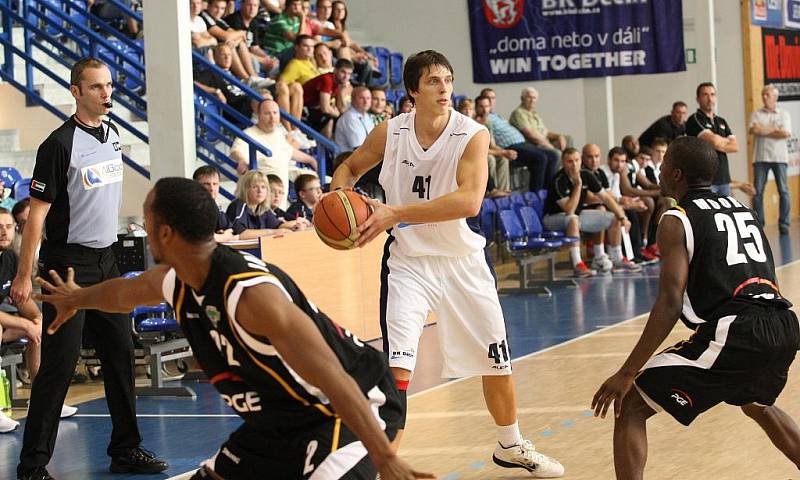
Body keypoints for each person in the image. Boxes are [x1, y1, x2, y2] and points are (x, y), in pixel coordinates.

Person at [35, 178, 434, 480]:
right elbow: (125, 293)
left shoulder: (252, 298)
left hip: (345, 411)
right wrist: (75, 299)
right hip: (278, 421)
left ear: (165, 233)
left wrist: (385, 458)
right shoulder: (176, 278)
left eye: (147, 216)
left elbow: (334, 377)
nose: (143, 222)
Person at [331, 50, 564, 477]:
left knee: (497, 361)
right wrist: (340, 200)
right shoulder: (390, 132)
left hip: (463, 262)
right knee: (398, 371)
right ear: (413, 91)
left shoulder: (470, 134)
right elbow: (348, 166)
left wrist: (393, 213)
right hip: (409, 263)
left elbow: (469, 201)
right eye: (434, 81)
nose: (444, 89)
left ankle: (511, 444)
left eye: (448, 80)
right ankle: (385, 467)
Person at [592, 136, 800, 479]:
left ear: (676, 174)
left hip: (739, 329)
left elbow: (670, 302)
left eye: (662, 167)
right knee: (758, 404)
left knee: (630, 404)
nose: (657, 171)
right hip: (783, 324)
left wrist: (627, 372)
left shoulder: (677, 218)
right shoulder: (744, 210)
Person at [11, 58, 167, 480]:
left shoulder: (114, 135)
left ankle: (126, 449)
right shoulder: (58, 145)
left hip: (108, 260)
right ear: (76, 91)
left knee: (120, 356)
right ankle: (32, 465)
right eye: (96, 87)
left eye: (109, 85)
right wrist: (26, 274)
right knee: (59, 367)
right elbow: (37, 216)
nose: (106, 93)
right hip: (67, 268)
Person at [543, 148, 638, 277]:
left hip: (577, 215)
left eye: (576, 160)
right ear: (563, 163)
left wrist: (622, 217)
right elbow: (569, 209)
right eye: (570, 161)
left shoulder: (586, 174)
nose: (574, 164)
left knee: (613, 218)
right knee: (573, 219)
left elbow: (606, 197)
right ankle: (578, 264)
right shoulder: (558, 180)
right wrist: (578, 185)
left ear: (580, 160)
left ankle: (617, 257)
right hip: (553, 218)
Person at [230, 99, 318, 207]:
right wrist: (241, 160)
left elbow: (289, 151)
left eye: (275, 113)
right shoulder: (249, 134)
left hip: (279, 199)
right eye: (267, 113)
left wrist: (311, 160)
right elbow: (236, 151)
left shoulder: (278, 133)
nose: (272, 117)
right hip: (259, 200)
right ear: (258, 115)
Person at [686, 82, 755, 197]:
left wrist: (719, 140)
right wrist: (724, 141)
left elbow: (735, 147)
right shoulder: (695, 119)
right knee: (709, 214)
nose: (710, 99)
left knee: (725, 213)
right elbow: (714, 142)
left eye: (712, 95)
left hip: (724, 179)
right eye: (705, 95)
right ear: (698, 99)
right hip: (705, 180)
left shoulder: (721, 121)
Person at [749, 84, 793, 234]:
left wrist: (764, 130)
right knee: (758, 192)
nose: (764, 97)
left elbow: (785, 133)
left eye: (767, 95)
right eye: (763, 94)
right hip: (760, 157)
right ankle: (759, 224)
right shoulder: (756, 114)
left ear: (775, 97)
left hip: (779, 157)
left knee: (783, 191)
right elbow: (754, 130)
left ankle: (784, 225)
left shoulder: (784, 114)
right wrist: (774, 130)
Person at [276, 34, 319, 131]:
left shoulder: (310, 63)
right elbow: (281, 84)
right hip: (308, 101)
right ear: (297, 47)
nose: (309, 49)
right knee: (296, 86)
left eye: (312, 47)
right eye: (305, 46)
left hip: (317, 100)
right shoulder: (295, 64)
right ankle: (292, 128)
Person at [303, 58, 353, 137]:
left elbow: (342, 109)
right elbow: (325, 108)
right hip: (304, 108)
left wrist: (341, 91)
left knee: (343, 118)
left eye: (349, 74)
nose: (346, 77)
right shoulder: (327, 79)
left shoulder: (339, 84)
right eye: (343, 72)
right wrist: (336, 114)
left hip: (314, 109)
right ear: (335, 70)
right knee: (331, 117)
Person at [334, 86, 375, 152]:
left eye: (368, 98)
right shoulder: (349, 117)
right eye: (361, 98)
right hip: (349, 159)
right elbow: (358, 148)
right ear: (353, 99)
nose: (365, 101)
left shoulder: (367, 117)